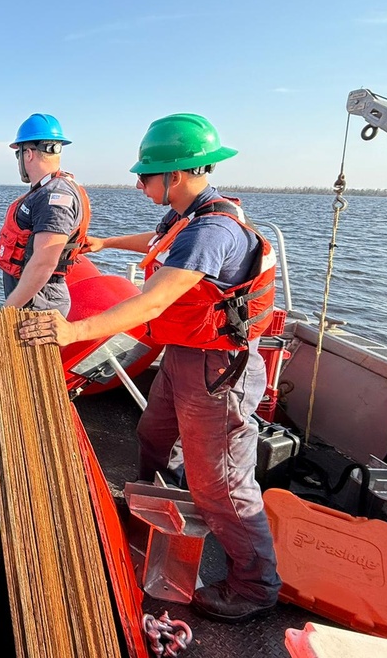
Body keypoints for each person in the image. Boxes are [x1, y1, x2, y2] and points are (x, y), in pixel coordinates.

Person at [18, 113, 281, 623]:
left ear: (175, 175)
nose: (139, 184)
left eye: (146, 176)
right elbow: (157, 242)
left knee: (223, 481)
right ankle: (150, 507)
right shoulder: (186, 216)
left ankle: (254, 586)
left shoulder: (212, 230)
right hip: (185, 353)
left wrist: (72, 331)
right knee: (152, 432)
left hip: (219, 369)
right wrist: (104, 244)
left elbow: (152, 303)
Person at [0, 113, 91, 318]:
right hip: (33, 300)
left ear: (28, 154)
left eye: (18, 154)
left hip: (39, 305)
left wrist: (6, 312)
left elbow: (44, 263)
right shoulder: (47, 190)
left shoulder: (55, 197)